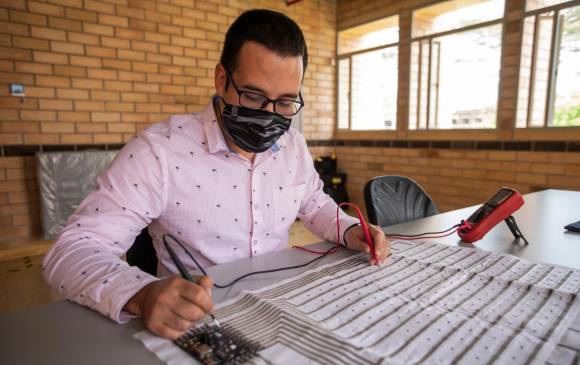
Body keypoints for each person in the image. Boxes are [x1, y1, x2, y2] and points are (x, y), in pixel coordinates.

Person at [43, 9, 390, 340]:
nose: (271, 116)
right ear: (221, 79)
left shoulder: (293, 145)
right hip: (196, 320)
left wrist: (350, 229)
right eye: (254, 96)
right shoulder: (158, 152)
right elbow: (72, 250)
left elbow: (314, 206)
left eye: (285, 103)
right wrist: (142, 293)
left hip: (281, 308)